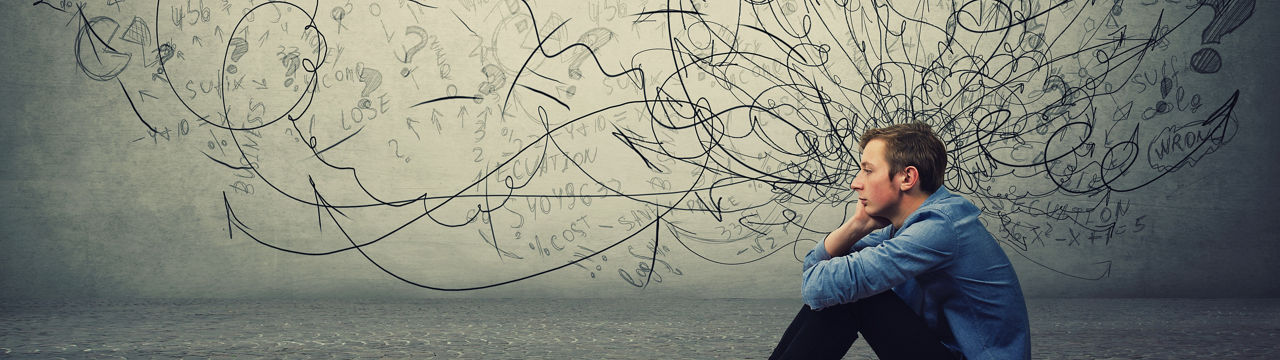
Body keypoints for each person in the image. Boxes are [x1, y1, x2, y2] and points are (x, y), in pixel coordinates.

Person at [769, 123, 1030, 359]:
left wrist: (833, 272)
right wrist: (856, 226)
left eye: (868, 171)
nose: (855, 183)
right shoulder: (909, 226)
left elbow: (818, 285)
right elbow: (818, 273)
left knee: (851, 294)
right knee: (843, 288)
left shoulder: (939, 228)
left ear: (907, 178)